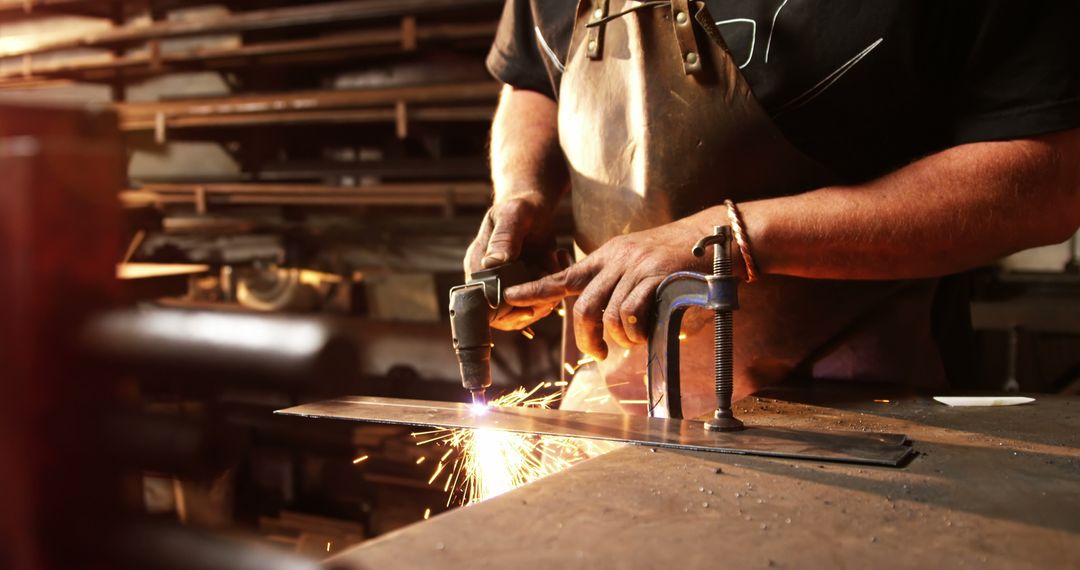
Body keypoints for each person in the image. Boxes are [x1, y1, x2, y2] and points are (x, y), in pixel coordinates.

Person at [465, 0, 1080, 417]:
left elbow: (1051, 177)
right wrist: (523, 190)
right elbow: (532, 83)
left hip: (859, 412)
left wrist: (730, 236)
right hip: (614, 396)